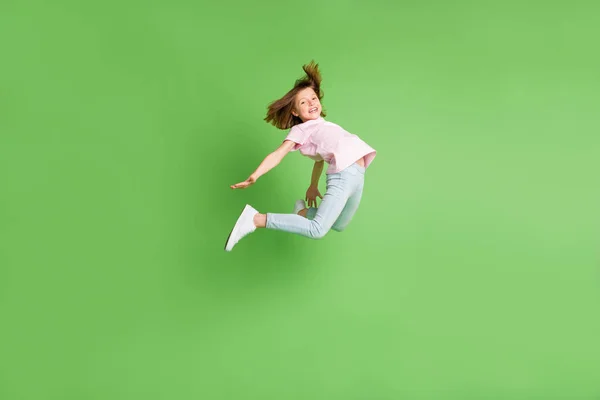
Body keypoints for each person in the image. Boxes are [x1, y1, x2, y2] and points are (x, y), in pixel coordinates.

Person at [225, 61, 376, 252]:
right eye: (304, 102)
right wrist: (255, 175)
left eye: (313, 98)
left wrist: (313, 186)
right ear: (295, 111)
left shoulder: (322, 125)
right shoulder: (301, 130)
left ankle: (302, 212)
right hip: (343, 174)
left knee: (339, 224)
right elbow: (278, 154)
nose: (311, 103)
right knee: (318, 229)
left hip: (358, 176)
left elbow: (319, 161)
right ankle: (256, 219)